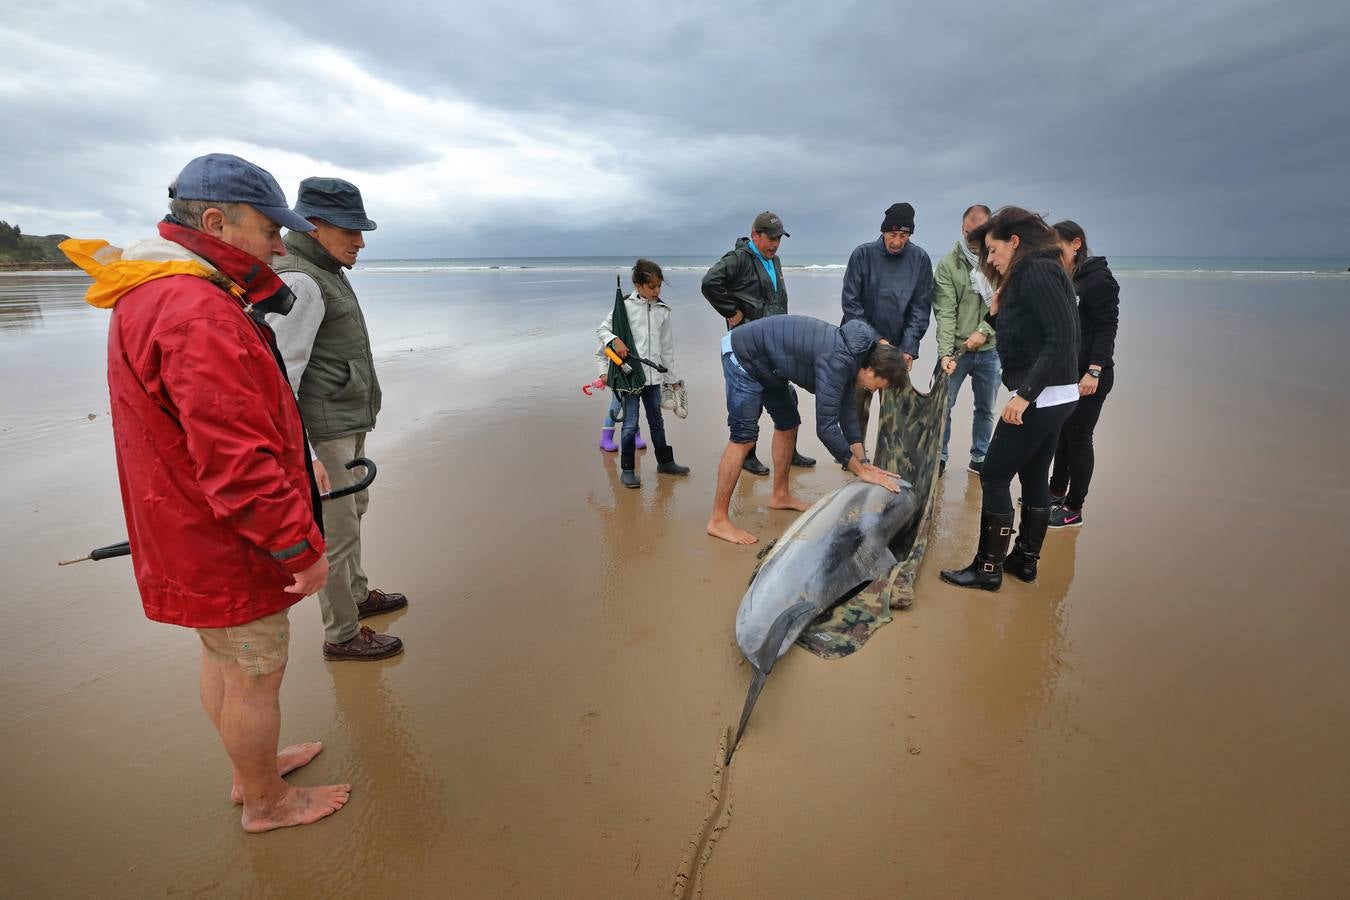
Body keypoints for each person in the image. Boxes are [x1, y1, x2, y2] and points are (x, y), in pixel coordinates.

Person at [61, 153, 350, 831]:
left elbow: (223, 426)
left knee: (224, 661)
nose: (281, 246)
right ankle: (267, 802)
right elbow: (236, 463)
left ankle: (252, 769)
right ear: (216, 221)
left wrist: (299, 459)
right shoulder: (197, 311)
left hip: (186, 528)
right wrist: (298, 547)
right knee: (255, 673)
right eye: (269, 230)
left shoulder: (155, 289)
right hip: (226, 540)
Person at [267, 178, 405, 662]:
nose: (361, 241)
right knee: (338, 532)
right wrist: (304, 454)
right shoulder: (300, 279)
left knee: (353, 515)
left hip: (344, 423)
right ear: (314, 226)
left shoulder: (324, 268)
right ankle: (342, 634)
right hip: (324, 433)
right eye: (351, 229)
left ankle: (359, 597)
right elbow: (279, 375)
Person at [940, 207, 1080, 590]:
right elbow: (1031, 329)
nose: (989, 258)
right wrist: (997, 314)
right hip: (1055, 396)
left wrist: (1024, 397)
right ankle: (1024, 561)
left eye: (993, 249)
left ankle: (987, 569)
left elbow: (1062, 338)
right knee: (1034, 474)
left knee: (994, 474)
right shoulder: (1035, 272)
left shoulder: (1036, 271)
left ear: (1014, 242)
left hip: (1041, 396)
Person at [706, 314, 908, 545]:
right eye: (876, 387)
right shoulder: (838, 363)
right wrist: (860, 472)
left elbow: (847, 413)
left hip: (771, 365)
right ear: (871, 370)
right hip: (743, 356)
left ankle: (780, 495)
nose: (872, 391)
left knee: (788, 423)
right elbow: (826, 427)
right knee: (743, 438)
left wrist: (863, 463)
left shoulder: (858, 354)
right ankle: (718, 519)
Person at [702, 211, 816, 474]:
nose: (775, 244)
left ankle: (791, 450)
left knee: (788, 397)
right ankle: (748, 456)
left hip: (776, 343)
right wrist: (731, 311)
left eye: (779, 238)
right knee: (749, 403)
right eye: (771, 238)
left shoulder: (774, 260)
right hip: (750, 345)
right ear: (755, 235)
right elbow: (710, 282)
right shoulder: (739, 258)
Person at [840, 202, 935, 452]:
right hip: (861, 347)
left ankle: (891, 457)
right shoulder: (862, 255)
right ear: (883, 232)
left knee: (895, 410)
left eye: (903, 236)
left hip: (898, 350)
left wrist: (908, 348)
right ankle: (854, 458)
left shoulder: (920, 259)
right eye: (892, 234)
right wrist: (876, 341)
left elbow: (920, 308)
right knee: (857, 406)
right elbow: (851, 305)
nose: (897, 241)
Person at [1047, 220, 1120, 529]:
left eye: (1058, 248)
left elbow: (1107, 327)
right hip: (1068, 373)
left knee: (1079, 436)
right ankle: (1055, 491)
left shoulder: (1099, 280)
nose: (1053, 254)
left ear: (1076, 244)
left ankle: (1074, 507)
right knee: (1063, 433)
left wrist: (1094, 370)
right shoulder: (1067, 278)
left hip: (1091, 376)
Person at [595, 258, 690, 488]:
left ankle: (665, 462)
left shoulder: (663, 311)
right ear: (638, 285)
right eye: (652, 286)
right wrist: (615, 340)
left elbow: (667, 348)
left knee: (657, 421)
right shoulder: (625, 306)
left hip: (654, 377)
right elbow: (602, 329)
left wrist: (672, 380)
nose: (656, 291)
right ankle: (627, 470)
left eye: (659, 286)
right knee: (630, 423)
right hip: (631, 377)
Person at [936, 205, 1000, 477]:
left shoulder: (999, 260)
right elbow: (945, 312)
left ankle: (980, 457)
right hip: (957, 350)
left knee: (985, 409)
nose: (978, 242)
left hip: (990, 350)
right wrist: (945, 354)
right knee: (942, 407)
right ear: (963, 230)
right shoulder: (948, 265)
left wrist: (984, 331)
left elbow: (1005, 302)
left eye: (983, 235)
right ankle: (938, 457)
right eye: (972, 235)